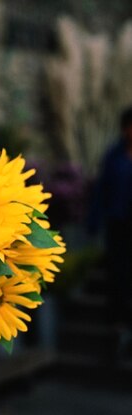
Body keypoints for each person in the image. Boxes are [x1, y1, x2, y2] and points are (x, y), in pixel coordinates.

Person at [90, 106, 132, 355]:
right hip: (117, 224)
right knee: (117, 273)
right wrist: (94, 220)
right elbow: (101, 190)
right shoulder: (113, 156)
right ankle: (117, 328)